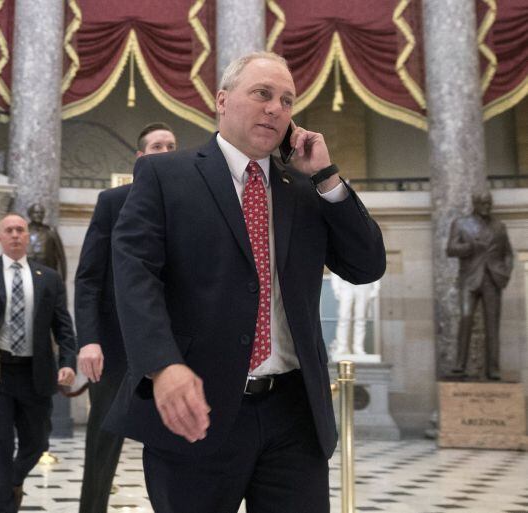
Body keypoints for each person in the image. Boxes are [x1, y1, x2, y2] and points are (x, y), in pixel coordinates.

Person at [105, 52, 386, 512]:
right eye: (262, 94)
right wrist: (161, 364)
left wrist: (327, 177)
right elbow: (135, 275)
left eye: (287, 101)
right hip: (198, 408)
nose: (276, 108)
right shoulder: (165, 175)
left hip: (293, 414)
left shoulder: (304, 189)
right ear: (222, 99)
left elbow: (366, 264)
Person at [75, 122, 177, 513]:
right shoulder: (113, 202)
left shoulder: (192, 203)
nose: (165, 151)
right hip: (116, 346)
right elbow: (88, 277)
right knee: (103, 440)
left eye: (171, 145)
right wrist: (89, 338)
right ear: (140, 157)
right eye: (156, 145)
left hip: (172, 346)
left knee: (176, 443)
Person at [0, 213, 77, 513]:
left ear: (27, 235)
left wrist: (68, 361)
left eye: (20, 230)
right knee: (0, 444)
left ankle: (13, 480)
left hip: (36, 372)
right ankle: (5, 507)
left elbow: (63, 325)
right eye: (9, 230)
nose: (16, 235)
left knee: (37, 443)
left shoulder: (48, 277)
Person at [447, 191, 513, 380]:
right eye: (483, 203)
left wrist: (505, 272)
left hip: (492, 280)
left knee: (493, 325)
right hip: (469, 280)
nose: (487, 206)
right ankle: (459, 365)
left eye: (489, 203)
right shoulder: (461, 223)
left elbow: (508, 253)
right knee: (466, 319)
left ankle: (493, 368)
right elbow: (450, 249)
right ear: (475, 204)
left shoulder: (499, 226)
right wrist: (469, 247)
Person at [330, 274, 380, 356]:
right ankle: (341, 347)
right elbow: (336, 264)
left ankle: (358, 348)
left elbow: (374, 264)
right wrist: (336, 288)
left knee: (360, 319)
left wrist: (376, 287)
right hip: (346, 284)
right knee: (343, 317)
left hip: (364, 284)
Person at [26, 203, 67, 280]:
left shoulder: (51, 232)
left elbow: (61, 258)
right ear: (30, 214)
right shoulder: (23, 232)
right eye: (36, 212)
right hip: (27, 274)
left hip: (47, 274)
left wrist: (62, 281)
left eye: (41, 213)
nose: (39, 215)